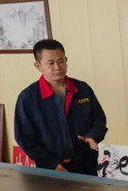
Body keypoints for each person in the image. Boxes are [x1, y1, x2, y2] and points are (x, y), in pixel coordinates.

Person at [14, 39, 107, 175]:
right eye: (51, 63)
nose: (57, 67)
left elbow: (99, 119)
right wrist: (50, 162)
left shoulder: (82, 89)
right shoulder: (28, 98)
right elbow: (24, 137)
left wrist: (93, 136)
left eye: (61, 61)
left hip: (87, 164)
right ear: (38, 66)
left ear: (66, 60)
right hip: (51, 169)